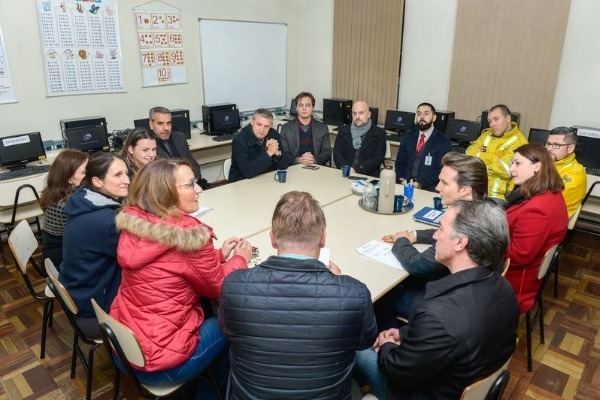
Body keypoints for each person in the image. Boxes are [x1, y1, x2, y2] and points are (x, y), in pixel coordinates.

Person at [110, 159, 252, 398]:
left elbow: (173, 265)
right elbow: (219, 288)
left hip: (125, 350)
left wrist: (218, 256)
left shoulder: (139, 223)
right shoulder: (188, 235)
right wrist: (240, 259)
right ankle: (212, 394)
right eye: (190, 184)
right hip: (161, 366)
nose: (199, 189)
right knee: (234, 320)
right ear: (166, 193)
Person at [219, 191, 377, 400]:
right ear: (323, 238)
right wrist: (339, 285)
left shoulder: (234, 285)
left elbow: (227, 331)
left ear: (272, 238)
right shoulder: (355, 294)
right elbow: (365, 342)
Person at [355, 200, 519, 399]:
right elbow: (453, 339)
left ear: (460, 242)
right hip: (465, 376)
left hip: (420, 393)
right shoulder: (504, 287)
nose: (435, 236)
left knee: (352, 345)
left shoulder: (439, 315)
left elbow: (397, 371)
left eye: (440, 229)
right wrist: (405, 334)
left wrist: (387, 344)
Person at [376, 152, 488, 327]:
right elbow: (441, 231)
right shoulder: (482, 211)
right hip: (464, 294)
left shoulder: (464, 225)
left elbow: (417, 264)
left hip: (441, 304)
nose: (437, 187)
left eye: (444, 183)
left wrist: (401, 240)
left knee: (381, 296)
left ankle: (395, 339)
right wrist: (414, 235)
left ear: (466, 190)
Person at [58, 152, 130, 338]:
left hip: (81, 293)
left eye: (126, 173)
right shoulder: (106, 222)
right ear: (97, 181)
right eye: (118, 175)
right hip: (96, 312)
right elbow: (136, 256)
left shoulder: (84, 200)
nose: (127, 180)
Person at [505, 143, 568, 313]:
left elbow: (519, 255)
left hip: (513, 286)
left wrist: (484, 243)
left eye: (517, 163)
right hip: (519, 275)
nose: (511, 169)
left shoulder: (538, 209)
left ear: (537, 167)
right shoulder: (549, 192)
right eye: (512, 163)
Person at [466, 104, 528, 202]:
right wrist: (496, 159)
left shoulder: (519, 142)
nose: (492, 124)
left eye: (496, 119)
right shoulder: (487, 134)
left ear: (508, 119)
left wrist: (480, 158)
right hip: (475, 190)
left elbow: (506, 169)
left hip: (497, 196)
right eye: (489, 121)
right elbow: (469, 153)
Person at [39, 149, 89, 269]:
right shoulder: (68, 205)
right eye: (83, 172)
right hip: (62, 262)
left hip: (53, 252)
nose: (88, 175)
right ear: (70, 179)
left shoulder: (55, 192)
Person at [394, 103, 452, 191]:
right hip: (405, 184)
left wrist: (420, 184)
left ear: (434, 118)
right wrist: (402, 179)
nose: (422, 117)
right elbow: (400, 161)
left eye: (426, 114)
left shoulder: (443, 141)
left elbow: (440, 169)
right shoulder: (408, 136)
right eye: (419, 114)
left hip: (428, 187)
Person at [149, 106, 209, 189]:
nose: (166, 128)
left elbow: (193, 163)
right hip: (166, 189)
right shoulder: (148, 145)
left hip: (189, 183)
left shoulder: (180, 138)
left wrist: (194, 182)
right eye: (160, 123)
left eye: (169, 123)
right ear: (151, 125)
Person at [228, 108, 291, 182]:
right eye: (259, 124)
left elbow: (284, 166)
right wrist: (269, 153)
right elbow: (248, 172)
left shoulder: (273, 134)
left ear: (271, 126)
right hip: (242, 182)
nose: (262, 130)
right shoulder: (239, 140)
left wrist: (278, 154)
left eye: (266, 126)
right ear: (251, 121)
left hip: (265, 180)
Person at [333, 100, 387, 177]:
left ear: (369, 114)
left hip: (368, 175)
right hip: (345, 173)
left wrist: (356, 169)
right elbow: (337, 154)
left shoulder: (379, 133)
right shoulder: (343, 131)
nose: (357, 117)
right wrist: (347, 168)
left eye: (361, 113)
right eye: (354, 113)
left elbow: (378, 158)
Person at [545, 126, 587, 218]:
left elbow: (550, 201)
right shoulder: (547, 162)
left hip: (552, 219)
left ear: (570, 148)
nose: (549, 149)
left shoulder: (576, 174)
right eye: (548, 144)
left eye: (556, 145)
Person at [280, 92, 331, 166]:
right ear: (296, 108)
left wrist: (314, 160)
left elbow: (327, 153)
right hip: (295, 167)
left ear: (313, 108)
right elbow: (284, 154)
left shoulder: (322, 128)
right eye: (301, 105)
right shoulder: (286, 128)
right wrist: (298, 160)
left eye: (308, 105)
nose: (304, 108)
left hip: (316, 167)